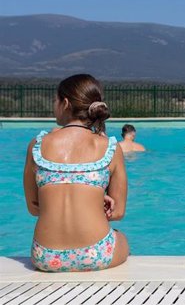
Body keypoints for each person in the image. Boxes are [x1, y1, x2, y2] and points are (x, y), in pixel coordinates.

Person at [23, 74, 129, 272]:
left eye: (55, 100)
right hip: (97, 254)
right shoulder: (110, 148)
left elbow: (34, 208)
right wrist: (95, 200)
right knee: (122, 238)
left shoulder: (37, 145)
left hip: (45, 256)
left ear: (65, 103)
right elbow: (118, 212)